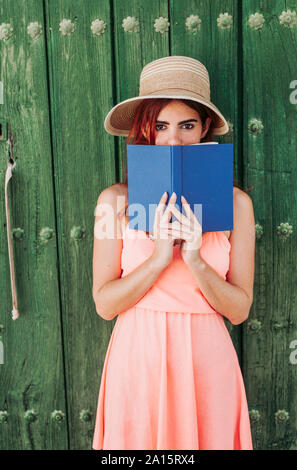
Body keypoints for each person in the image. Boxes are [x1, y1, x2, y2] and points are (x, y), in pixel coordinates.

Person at [92, 56, 255, 450]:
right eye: (161, 125)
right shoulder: (113, 202)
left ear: (203, 131)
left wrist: (196, 259)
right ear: (144, 131)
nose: (173, 139)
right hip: (138, 358)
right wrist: (159, 258)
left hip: (206, 361)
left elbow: (239, 310)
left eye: (187, 125)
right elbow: (104, 303)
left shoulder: (237, 205)